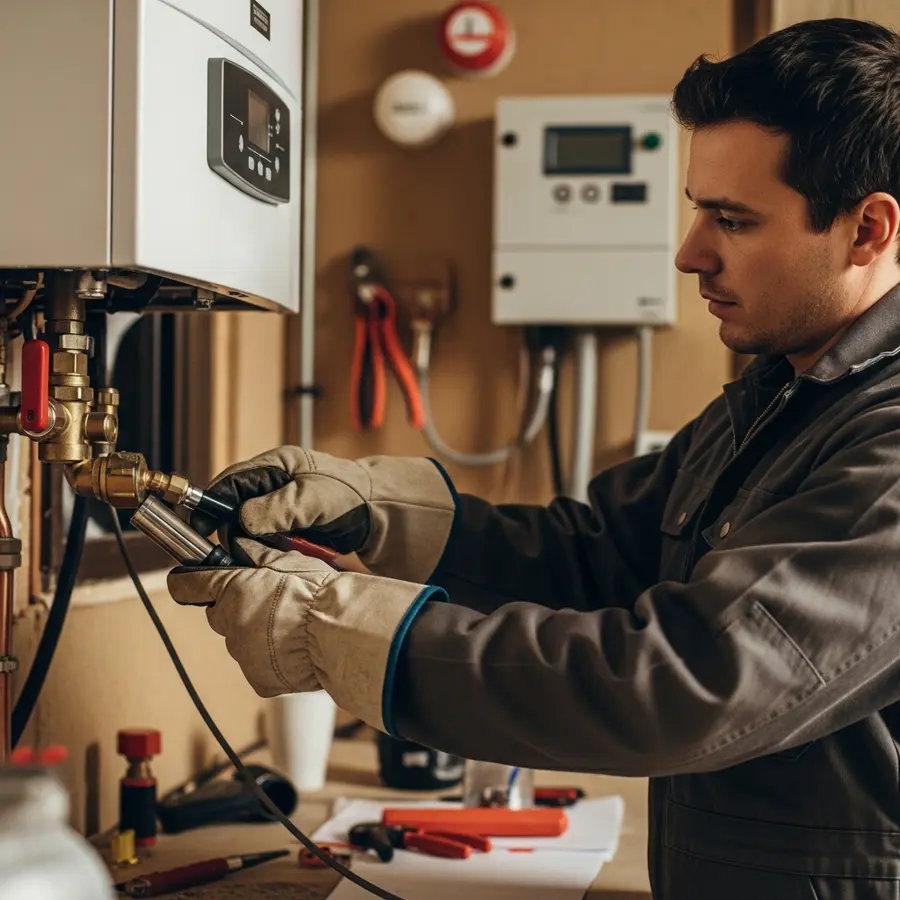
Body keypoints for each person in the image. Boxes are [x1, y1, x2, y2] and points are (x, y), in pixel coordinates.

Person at [169, 18, 900, 898]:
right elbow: (595, 555)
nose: (689, 253)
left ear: (867, 230)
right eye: (698, 209)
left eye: (733, 220)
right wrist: (379, 507)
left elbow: (686, 678)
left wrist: (337, 627)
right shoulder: (781, 393)